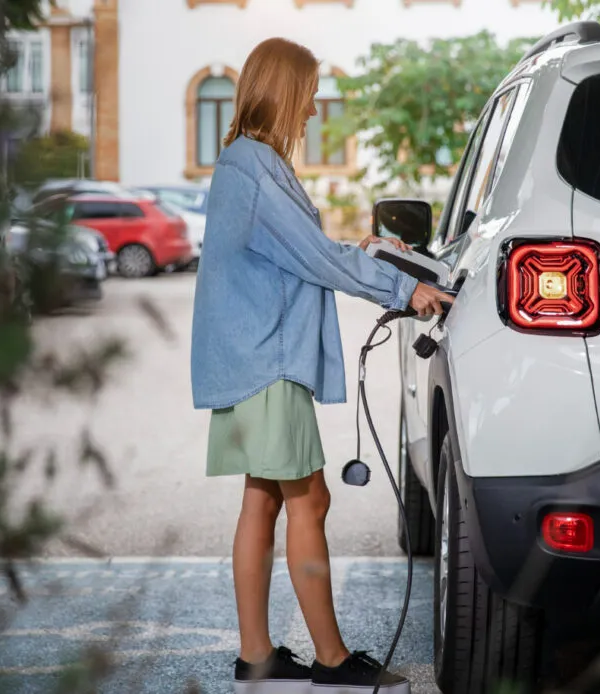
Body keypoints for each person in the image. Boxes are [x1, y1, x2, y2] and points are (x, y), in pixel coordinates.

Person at [189, 37, 454, 693]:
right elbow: (316, 259)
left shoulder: (245, 163)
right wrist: (404, 288)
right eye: (307, 96)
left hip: (251, 359)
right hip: (266, 364)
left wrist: (367, 248)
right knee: (308, 497)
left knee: (264, 500)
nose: (311, 111)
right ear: (283, 91)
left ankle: (257, 655)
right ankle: (331, 661)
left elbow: (301, 249)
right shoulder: (256, 167)